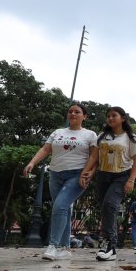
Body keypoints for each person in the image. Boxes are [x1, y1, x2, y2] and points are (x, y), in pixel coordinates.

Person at [23, 103, 98, 261]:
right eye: (70, 111)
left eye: (77, 112)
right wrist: (32, 162)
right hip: (55, 174)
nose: (73, 114)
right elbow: (45, 149)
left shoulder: (90, 135)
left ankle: (52, 245)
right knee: (65, 209)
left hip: (77, 175)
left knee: (60, 206)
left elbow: (94, 156)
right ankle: (64, 248)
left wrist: (89, 173)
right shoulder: (58, 132)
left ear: (84, 116)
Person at [79, 107, 136, 262]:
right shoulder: (102, 136)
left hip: (121, 176)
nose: (110, 118)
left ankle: (109, 244)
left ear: (123, 118)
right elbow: (95, 156)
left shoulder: (131, 138)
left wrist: (131, 180)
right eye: (108, 116)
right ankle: (111, 249)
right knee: (107, 210)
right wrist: (85, 173)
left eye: (114, 115)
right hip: (102, 176)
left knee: (110, 206)